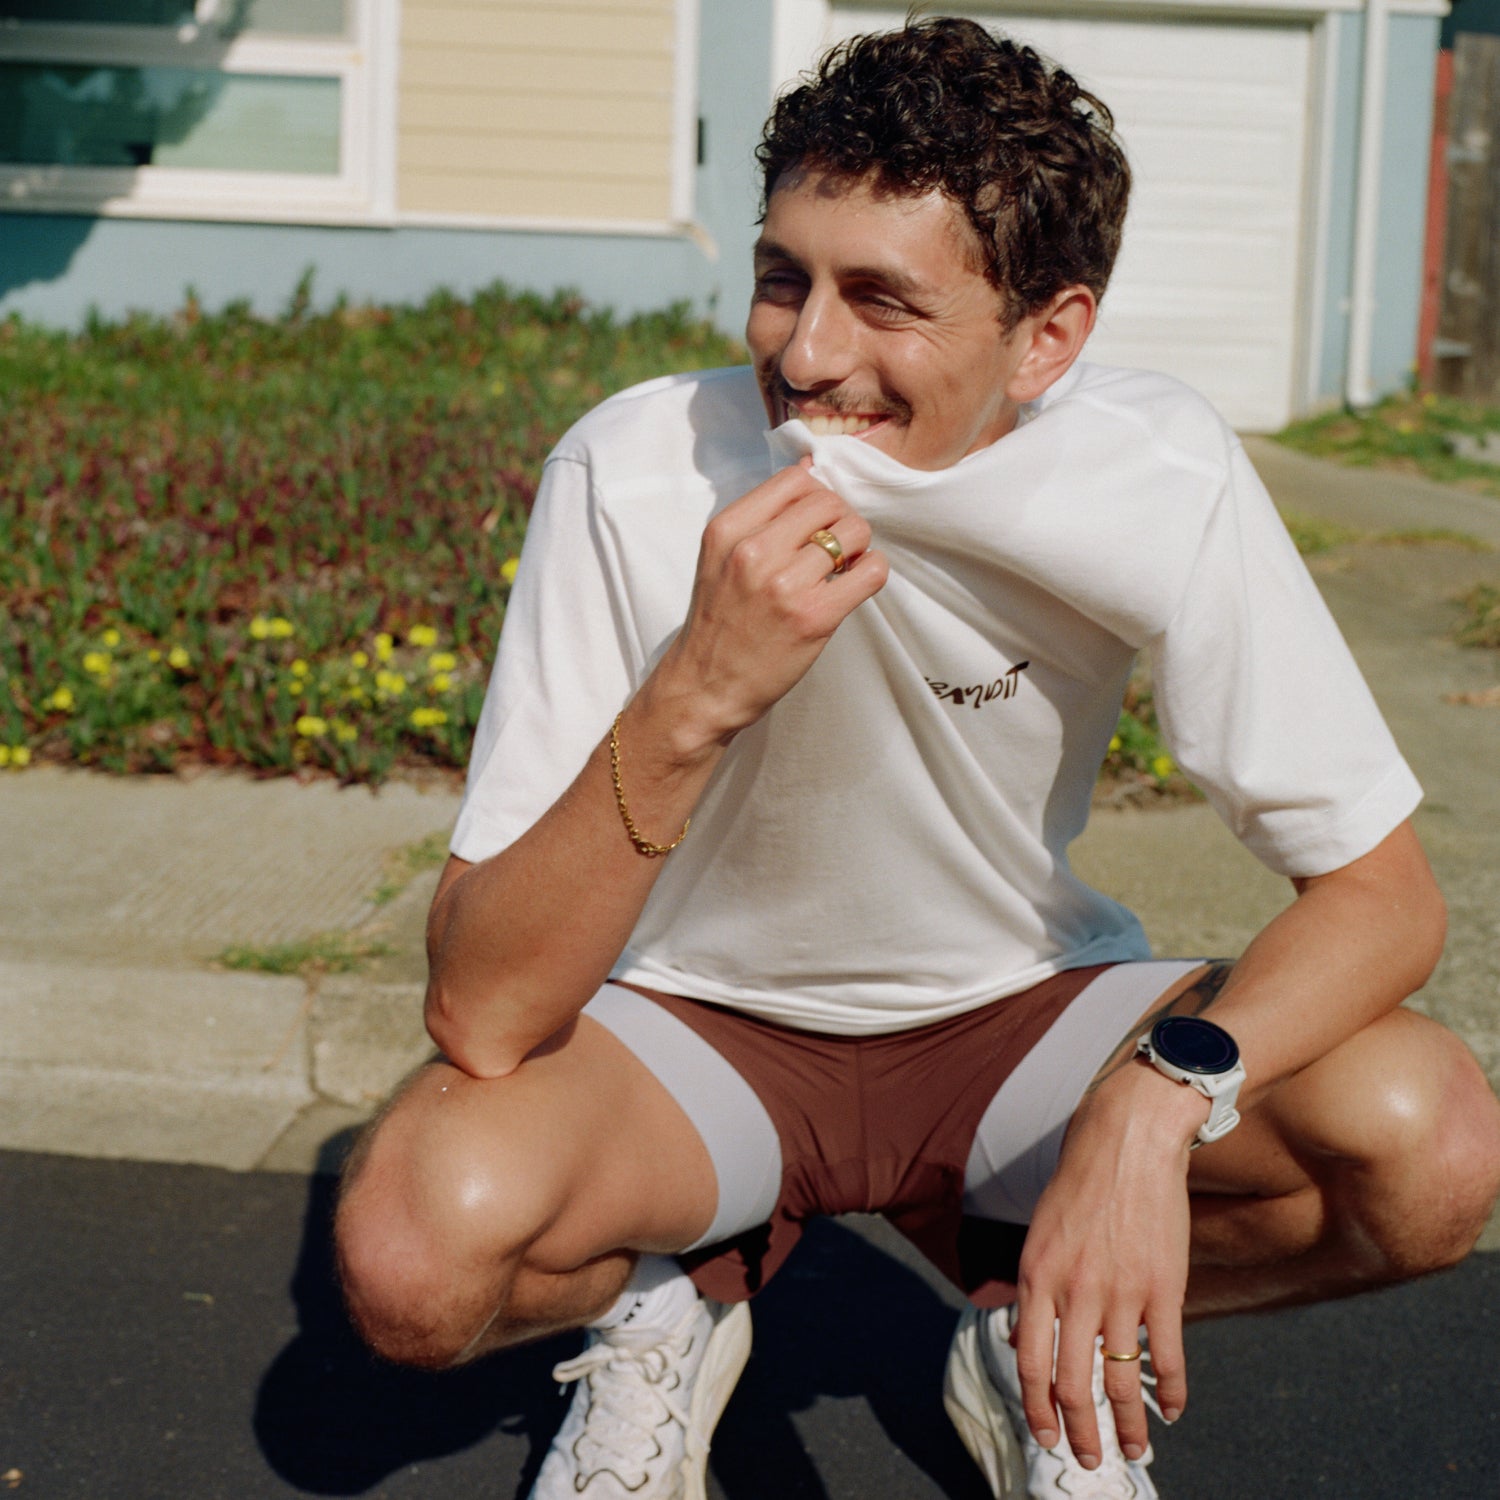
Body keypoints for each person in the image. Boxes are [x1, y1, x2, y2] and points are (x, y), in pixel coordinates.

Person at [334, 17, 1500, 1499]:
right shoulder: (632, 471)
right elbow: (483, 1010)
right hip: (690, 1038)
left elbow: (1385, 898)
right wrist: (696, 693)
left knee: (1428, 1149)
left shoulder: (1152, 470)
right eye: (784, 278)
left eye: (883, 300)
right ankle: (667, 1311)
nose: (806, 353)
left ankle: (1042, 1343)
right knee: (414, 1252)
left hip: (1016, 1023)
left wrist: (1154, 1106)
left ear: (1048, 339)